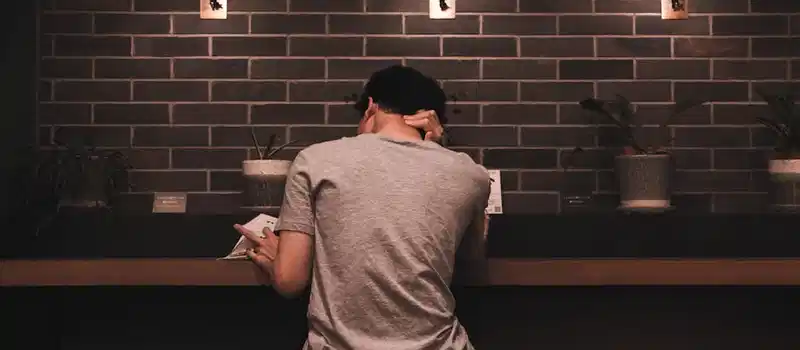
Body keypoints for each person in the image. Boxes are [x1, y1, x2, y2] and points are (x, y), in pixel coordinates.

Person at [235, 65, 491, 350]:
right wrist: (439, 147)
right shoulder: (472, 174)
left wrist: (281, 258)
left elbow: (291, 282)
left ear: (370, 107)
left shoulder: (315, 160)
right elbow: (470, 259)